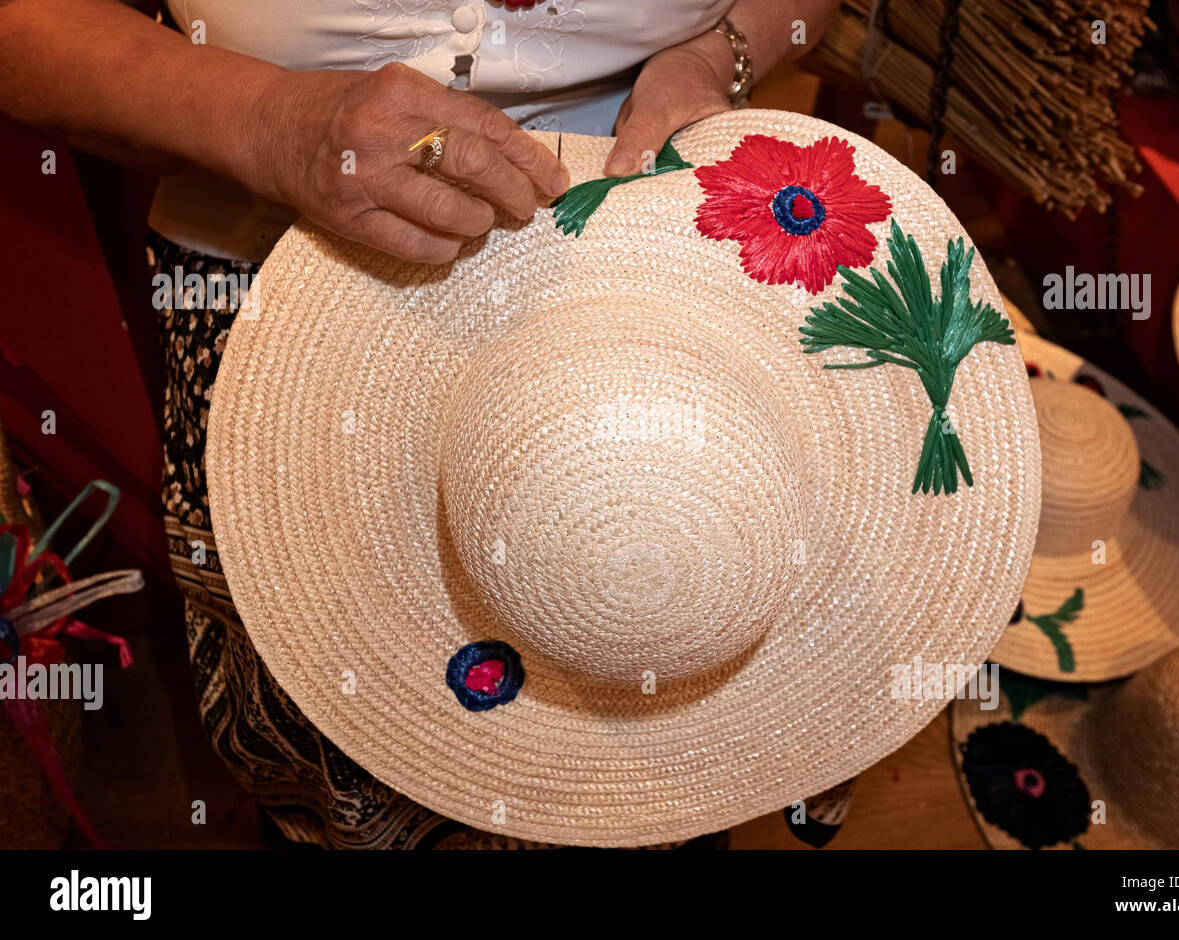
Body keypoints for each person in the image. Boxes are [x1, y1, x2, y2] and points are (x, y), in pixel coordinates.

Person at [0, 0, 846, 848]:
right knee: (358, 764)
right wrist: (271, 125)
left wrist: (712, 57)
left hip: (642, 270)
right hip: (277, 269)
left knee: (639, 737)